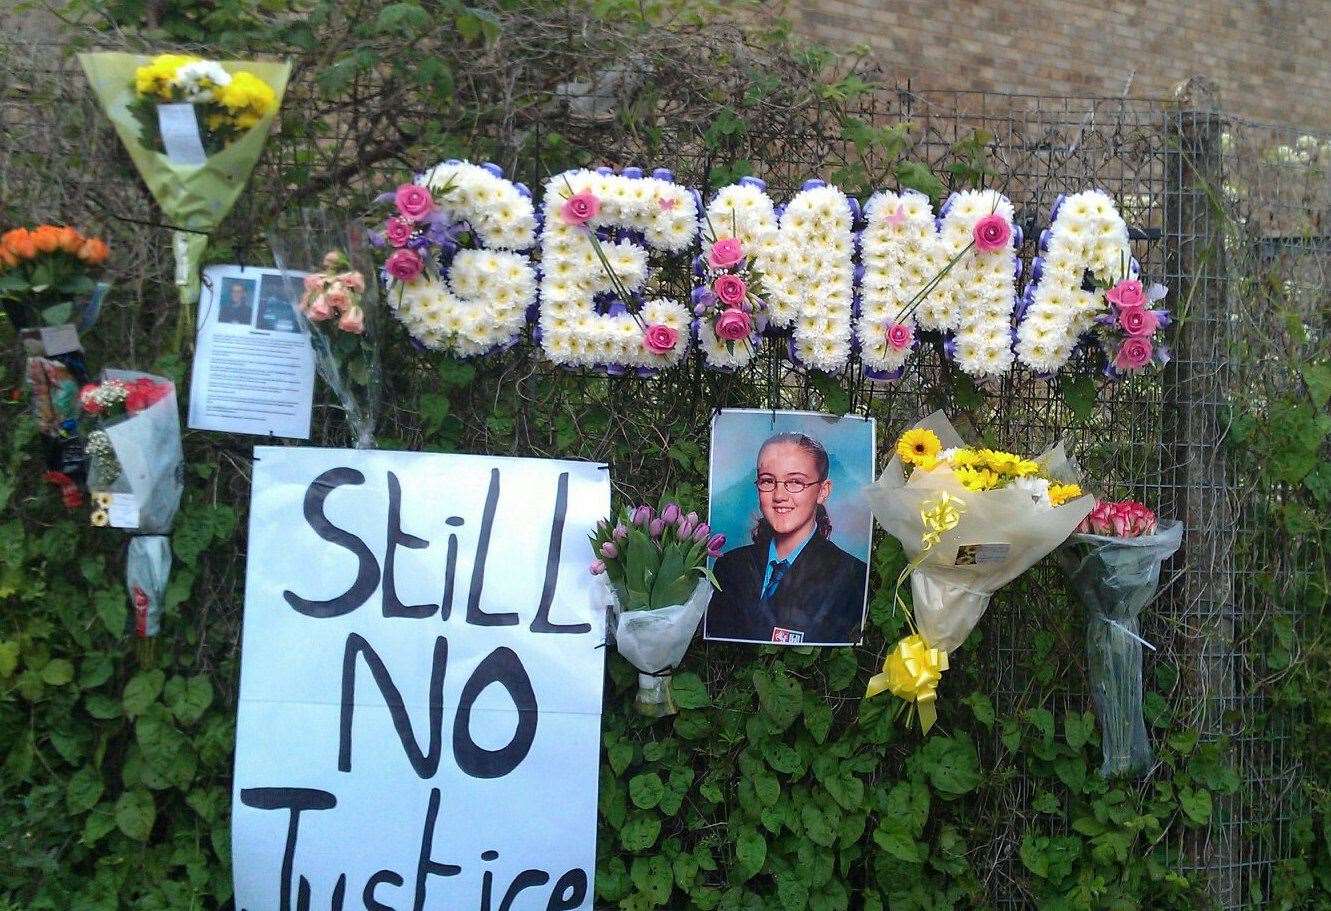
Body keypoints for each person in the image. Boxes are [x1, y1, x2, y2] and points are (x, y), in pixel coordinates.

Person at [705, 431, 868, 644]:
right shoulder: (729, 566)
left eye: (795, 482)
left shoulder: (852, 576)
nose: (779, 496)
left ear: (823, 491)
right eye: (767, 481)